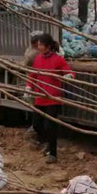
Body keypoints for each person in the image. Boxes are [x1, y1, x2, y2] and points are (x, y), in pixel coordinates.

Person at [25, 33, 74, 164]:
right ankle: (45, 143)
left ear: (47, 46)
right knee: (36, 124)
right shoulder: (38, 58)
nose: (38, 46)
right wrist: (29, 87)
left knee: (50, 126)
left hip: (53, 98)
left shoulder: (58, 59)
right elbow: (32, 75)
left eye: (40, 44)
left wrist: (69, 75)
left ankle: (53, 154)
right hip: (40, 97)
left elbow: (67, 70)